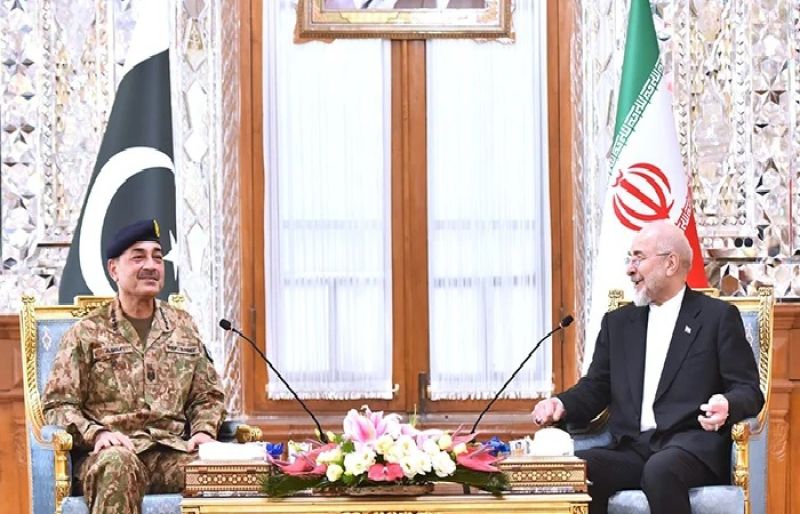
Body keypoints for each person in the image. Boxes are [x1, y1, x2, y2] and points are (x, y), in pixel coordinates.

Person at [532, 220, 763, 514]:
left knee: (660, 470)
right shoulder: (618, 323)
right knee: (581, 470)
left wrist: (727, 404)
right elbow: (596, 387)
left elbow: (748, 390)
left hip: (689, 448)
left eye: (638, 258)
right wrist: (561, 403)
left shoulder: (716, 317)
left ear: (670, 263)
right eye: (629, 259)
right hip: (632, 448)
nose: (630, 269)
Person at [43, 219, 226, 514]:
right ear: (114, 269)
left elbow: (207, 395)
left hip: (170, 452)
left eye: (157, 256)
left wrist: (204, 431)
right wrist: (96, 433)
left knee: (229, 473)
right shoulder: (86, 332)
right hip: (110, 455)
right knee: (118, 464)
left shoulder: (183, 325)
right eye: (138, 257)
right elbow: (58, 404)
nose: (151, 265)